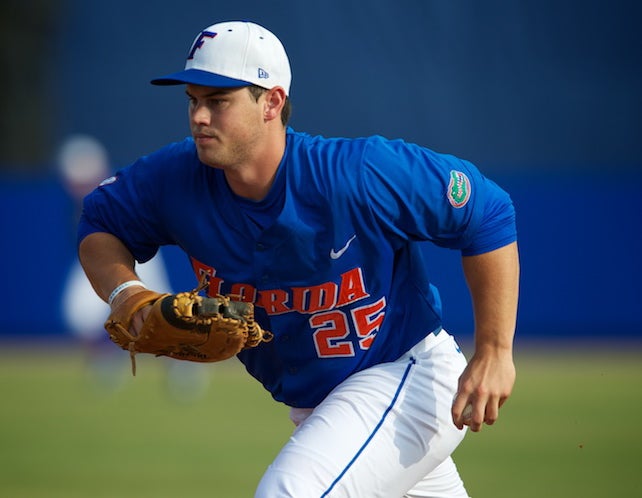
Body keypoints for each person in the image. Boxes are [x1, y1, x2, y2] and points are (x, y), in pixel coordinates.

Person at [77, 20, 519, 497]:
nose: (199, 116)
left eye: (218, 101)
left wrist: (495, 350)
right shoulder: (174, 179)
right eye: (193, 100)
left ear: (272, 102)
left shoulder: (357, 174)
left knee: (290, 491)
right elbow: (100, 225)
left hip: (406, 376)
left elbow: (486, 209)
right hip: (326, 412)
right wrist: (126, 291)